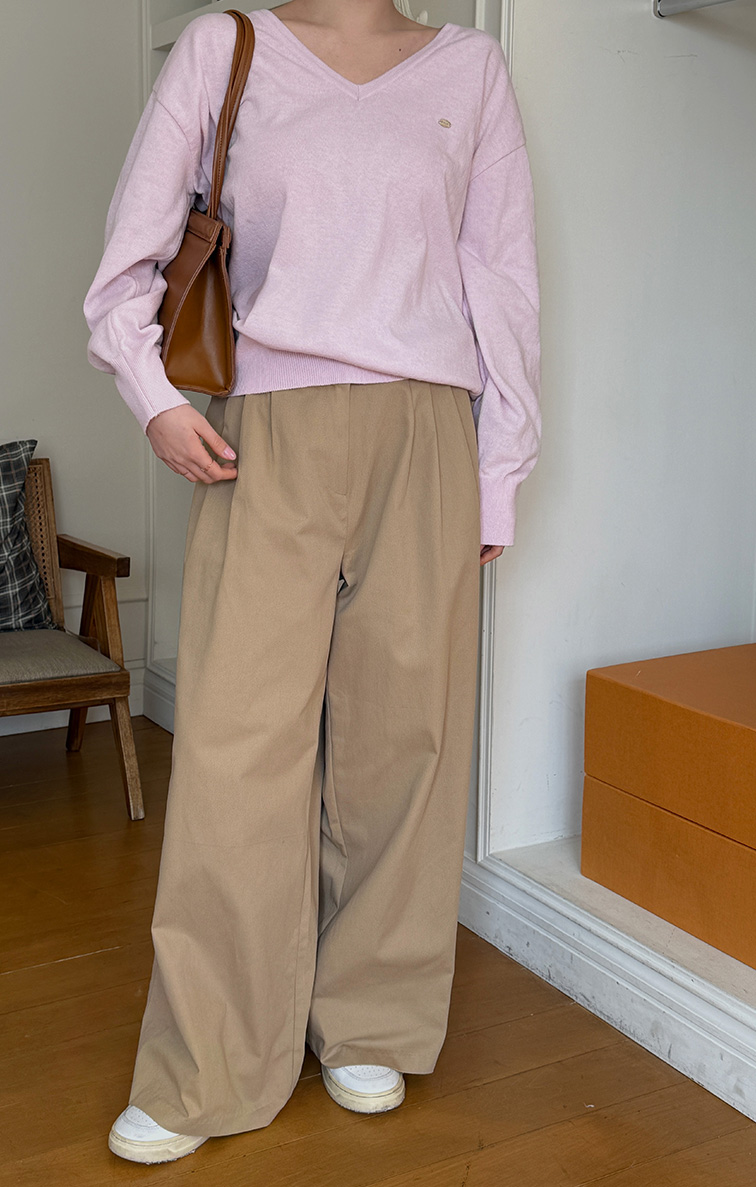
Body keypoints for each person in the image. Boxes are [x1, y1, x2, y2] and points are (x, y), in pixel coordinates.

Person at [83, 0, 541, 1165]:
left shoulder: (471, 69)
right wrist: (155, 397)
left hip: (427, 431)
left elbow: (500, 275)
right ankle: (210, 1060)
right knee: (238, 746)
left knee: (405, 737)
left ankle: (370, 1015)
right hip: (265, 431)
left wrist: (498, 472)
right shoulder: (225, 45)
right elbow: (133, 251)